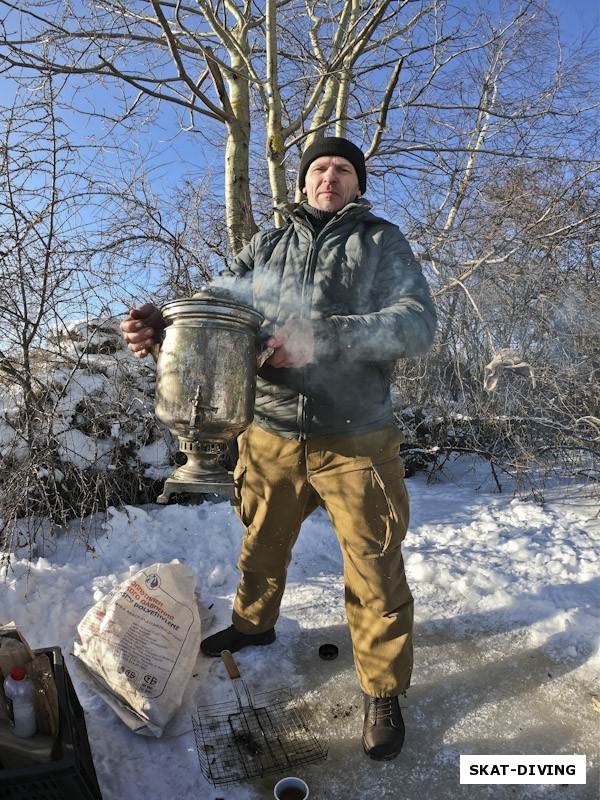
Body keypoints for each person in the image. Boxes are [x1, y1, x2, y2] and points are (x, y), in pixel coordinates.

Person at [120, 136, 436, 761]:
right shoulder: (266, 245)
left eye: (343, 169)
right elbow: (212, 315)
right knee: (260, 541)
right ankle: (252, 626)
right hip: (267, 430)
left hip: (357, 435)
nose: (330, 176)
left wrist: (325, 337)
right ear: (301, 182)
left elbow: (416, 322)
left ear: (357, 183)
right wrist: (165, 331)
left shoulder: (380, 242)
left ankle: (381, 689)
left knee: (374, 565)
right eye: (319, 167)